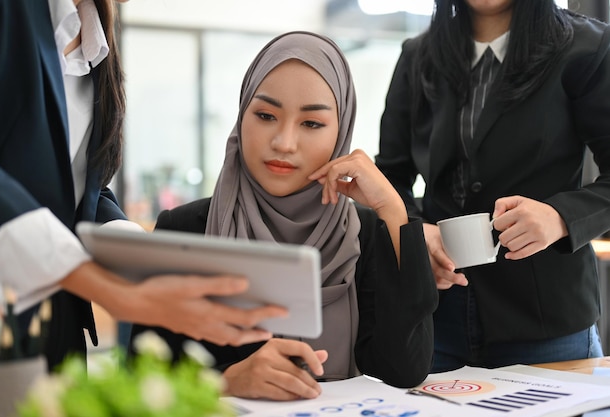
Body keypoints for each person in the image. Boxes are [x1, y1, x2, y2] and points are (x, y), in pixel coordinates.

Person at [130, 31, 438, 401]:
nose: (284, 142)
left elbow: (405, 369)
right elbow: (139, 379)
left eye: (311, 124)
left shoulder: (366, 233)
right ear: (241, 115)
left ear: (341, 133)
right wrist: (222, 382)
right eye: (265, 115)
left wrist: (393, 211)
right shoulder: (182, 230)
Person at [0, 0, 285, 370]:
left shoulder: (96, 38)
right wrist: (116, 292)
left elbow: (76, 190)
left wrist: (141, 254)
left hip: (52, 321)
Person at [375, 0, 610, 373]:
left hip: (545, 321)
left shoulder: (588, 47)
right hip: (434, 317)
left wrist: (560, 217)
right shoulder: (417, 55)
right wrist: (417, 233)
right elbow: (389, 177)